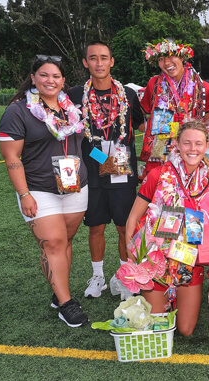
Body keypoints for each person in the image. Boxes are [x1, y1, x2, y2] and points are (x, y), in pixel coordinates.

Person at [0, 55, 89, 327]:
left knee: (65, 241)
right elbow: (12, 157)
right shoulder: (19, 110)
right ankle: (66, 304)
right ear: (34, 77)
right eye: (44, 75)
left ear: (63, 81)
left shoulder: (71, 108)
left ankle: (58, 291)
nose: (50, 80)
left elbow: (83, 145)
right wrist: (24, 193)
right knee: (53, 243)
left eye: (56, 76)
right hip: (38, 188)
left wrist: (106, 161)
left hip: (74, 185)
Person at [125, 120, 209, 336]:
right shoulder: (157, 175)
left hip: (189, 261)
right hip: (155, 260)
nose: (193, 149)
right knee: (157, 329)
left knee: (186, 330)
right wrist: (131, 256)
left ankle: (174, 296)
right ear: (177, 144)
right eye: (187, 143)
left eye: (198, 144)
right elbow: (133, 216)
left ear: (207, 145)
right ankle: (153, 295)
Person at [68, 41, 145, 299]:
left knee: (125, 227)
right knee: (96, 226)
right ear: (85, 62)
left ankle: (125, 277)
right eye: (93, 58)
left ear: (112, 61)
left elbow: (143, 126)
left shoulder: (129, 95)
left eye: (104, 58)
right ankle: (98, 276)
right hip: (92, 172)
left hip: (123, 173)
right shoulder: (75, 94)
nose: (99, 63)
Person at [139, 38, 209, 179]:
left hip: (191, 152)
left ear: (182, 56)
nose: (167, 63)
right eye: (161, 58)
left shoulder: (204, 88)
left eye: (171, 56)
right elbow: (144, 117)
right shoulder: (153, 84)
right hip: (160, 151)